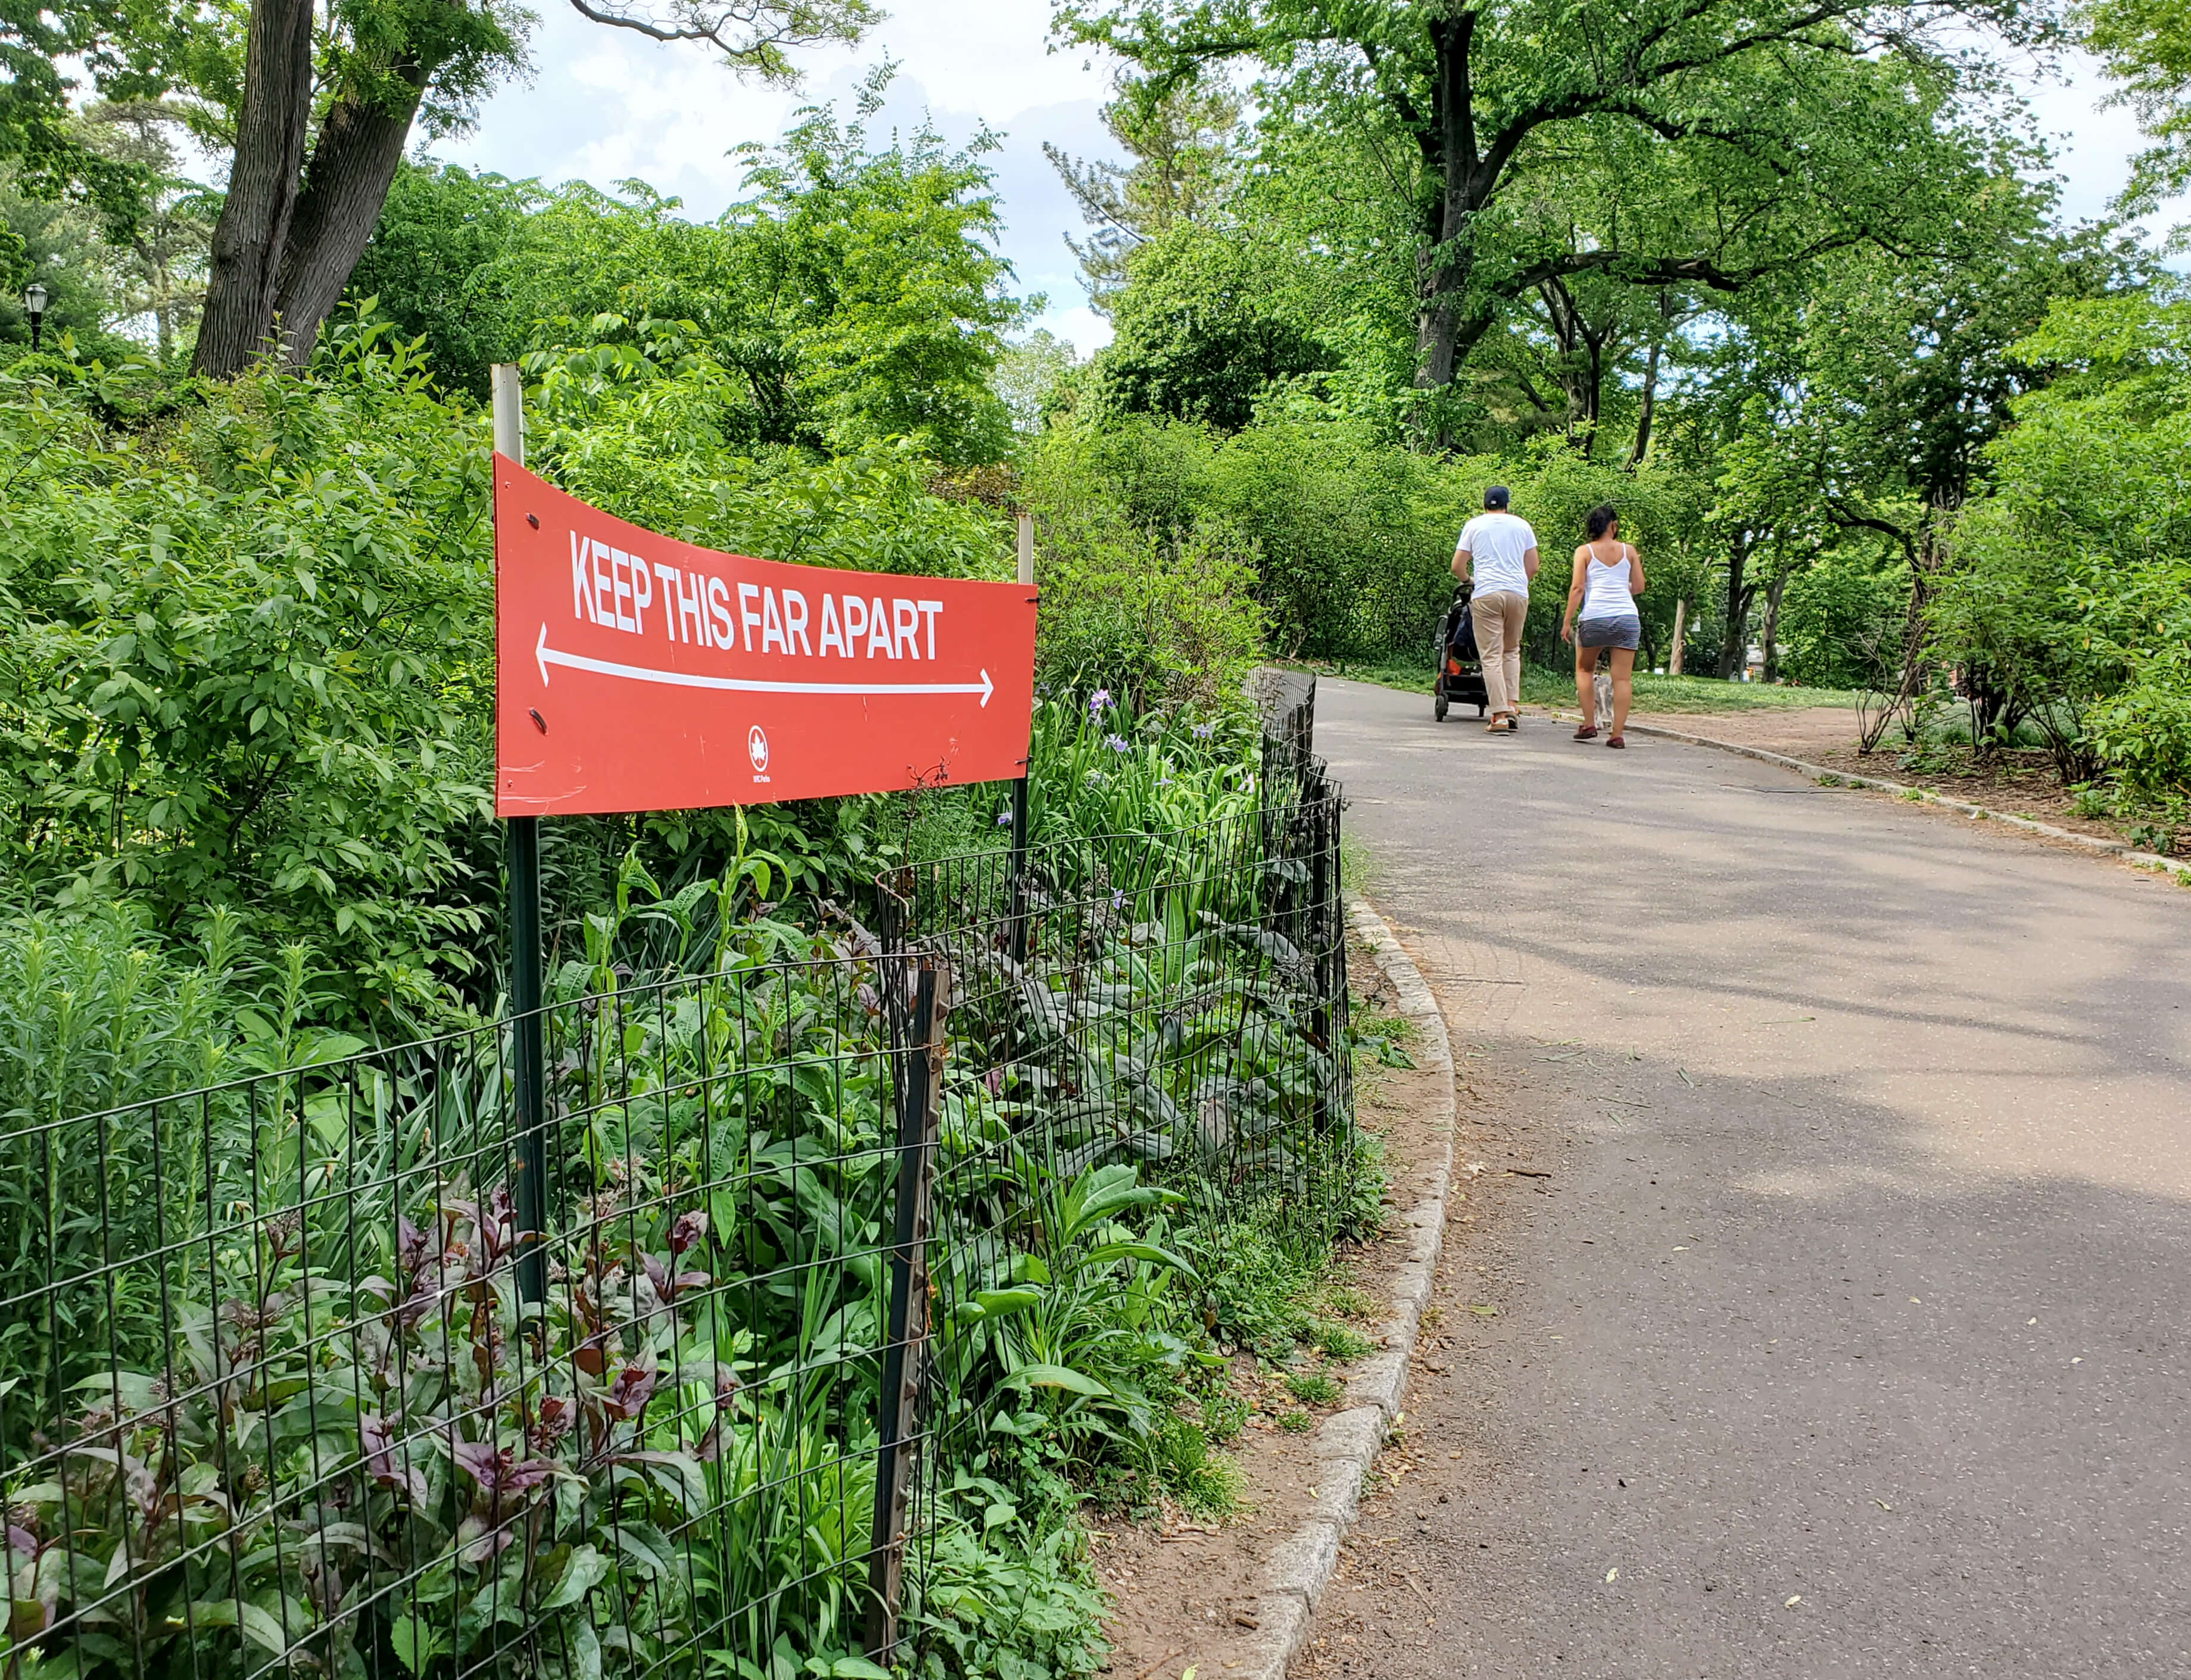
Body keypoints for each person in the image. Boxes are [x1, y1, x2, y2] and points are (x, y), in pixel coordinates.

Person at [1453, 485, 1538, 734]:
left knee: (1490, 655)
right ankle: (1512, 707)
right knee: (1511, 651)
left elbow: (1457, 565)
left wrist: (1469, 580)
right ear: (1507, 505)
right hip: (1517, 593)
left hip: (1487, 592)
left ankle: (1499, 715)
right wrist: (1518, 582)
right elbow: (1533, 565)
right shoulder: (1522, 526)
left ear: (1484, 505)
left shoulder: (1474, 525)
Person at [1560, 504, 1645, 748]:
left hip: (1595, 617)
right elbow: (1639, 587)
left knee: (1584, 670)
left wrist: (1567, 621)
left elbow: (1578, 588)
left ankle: (1589, 724)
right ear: (1613, 525)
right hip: (1627, 618)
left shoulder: (1584, 552)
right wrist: (1621, 590)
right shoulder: (1629, 551)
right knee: (1622, 679)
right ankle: (1617, 734)